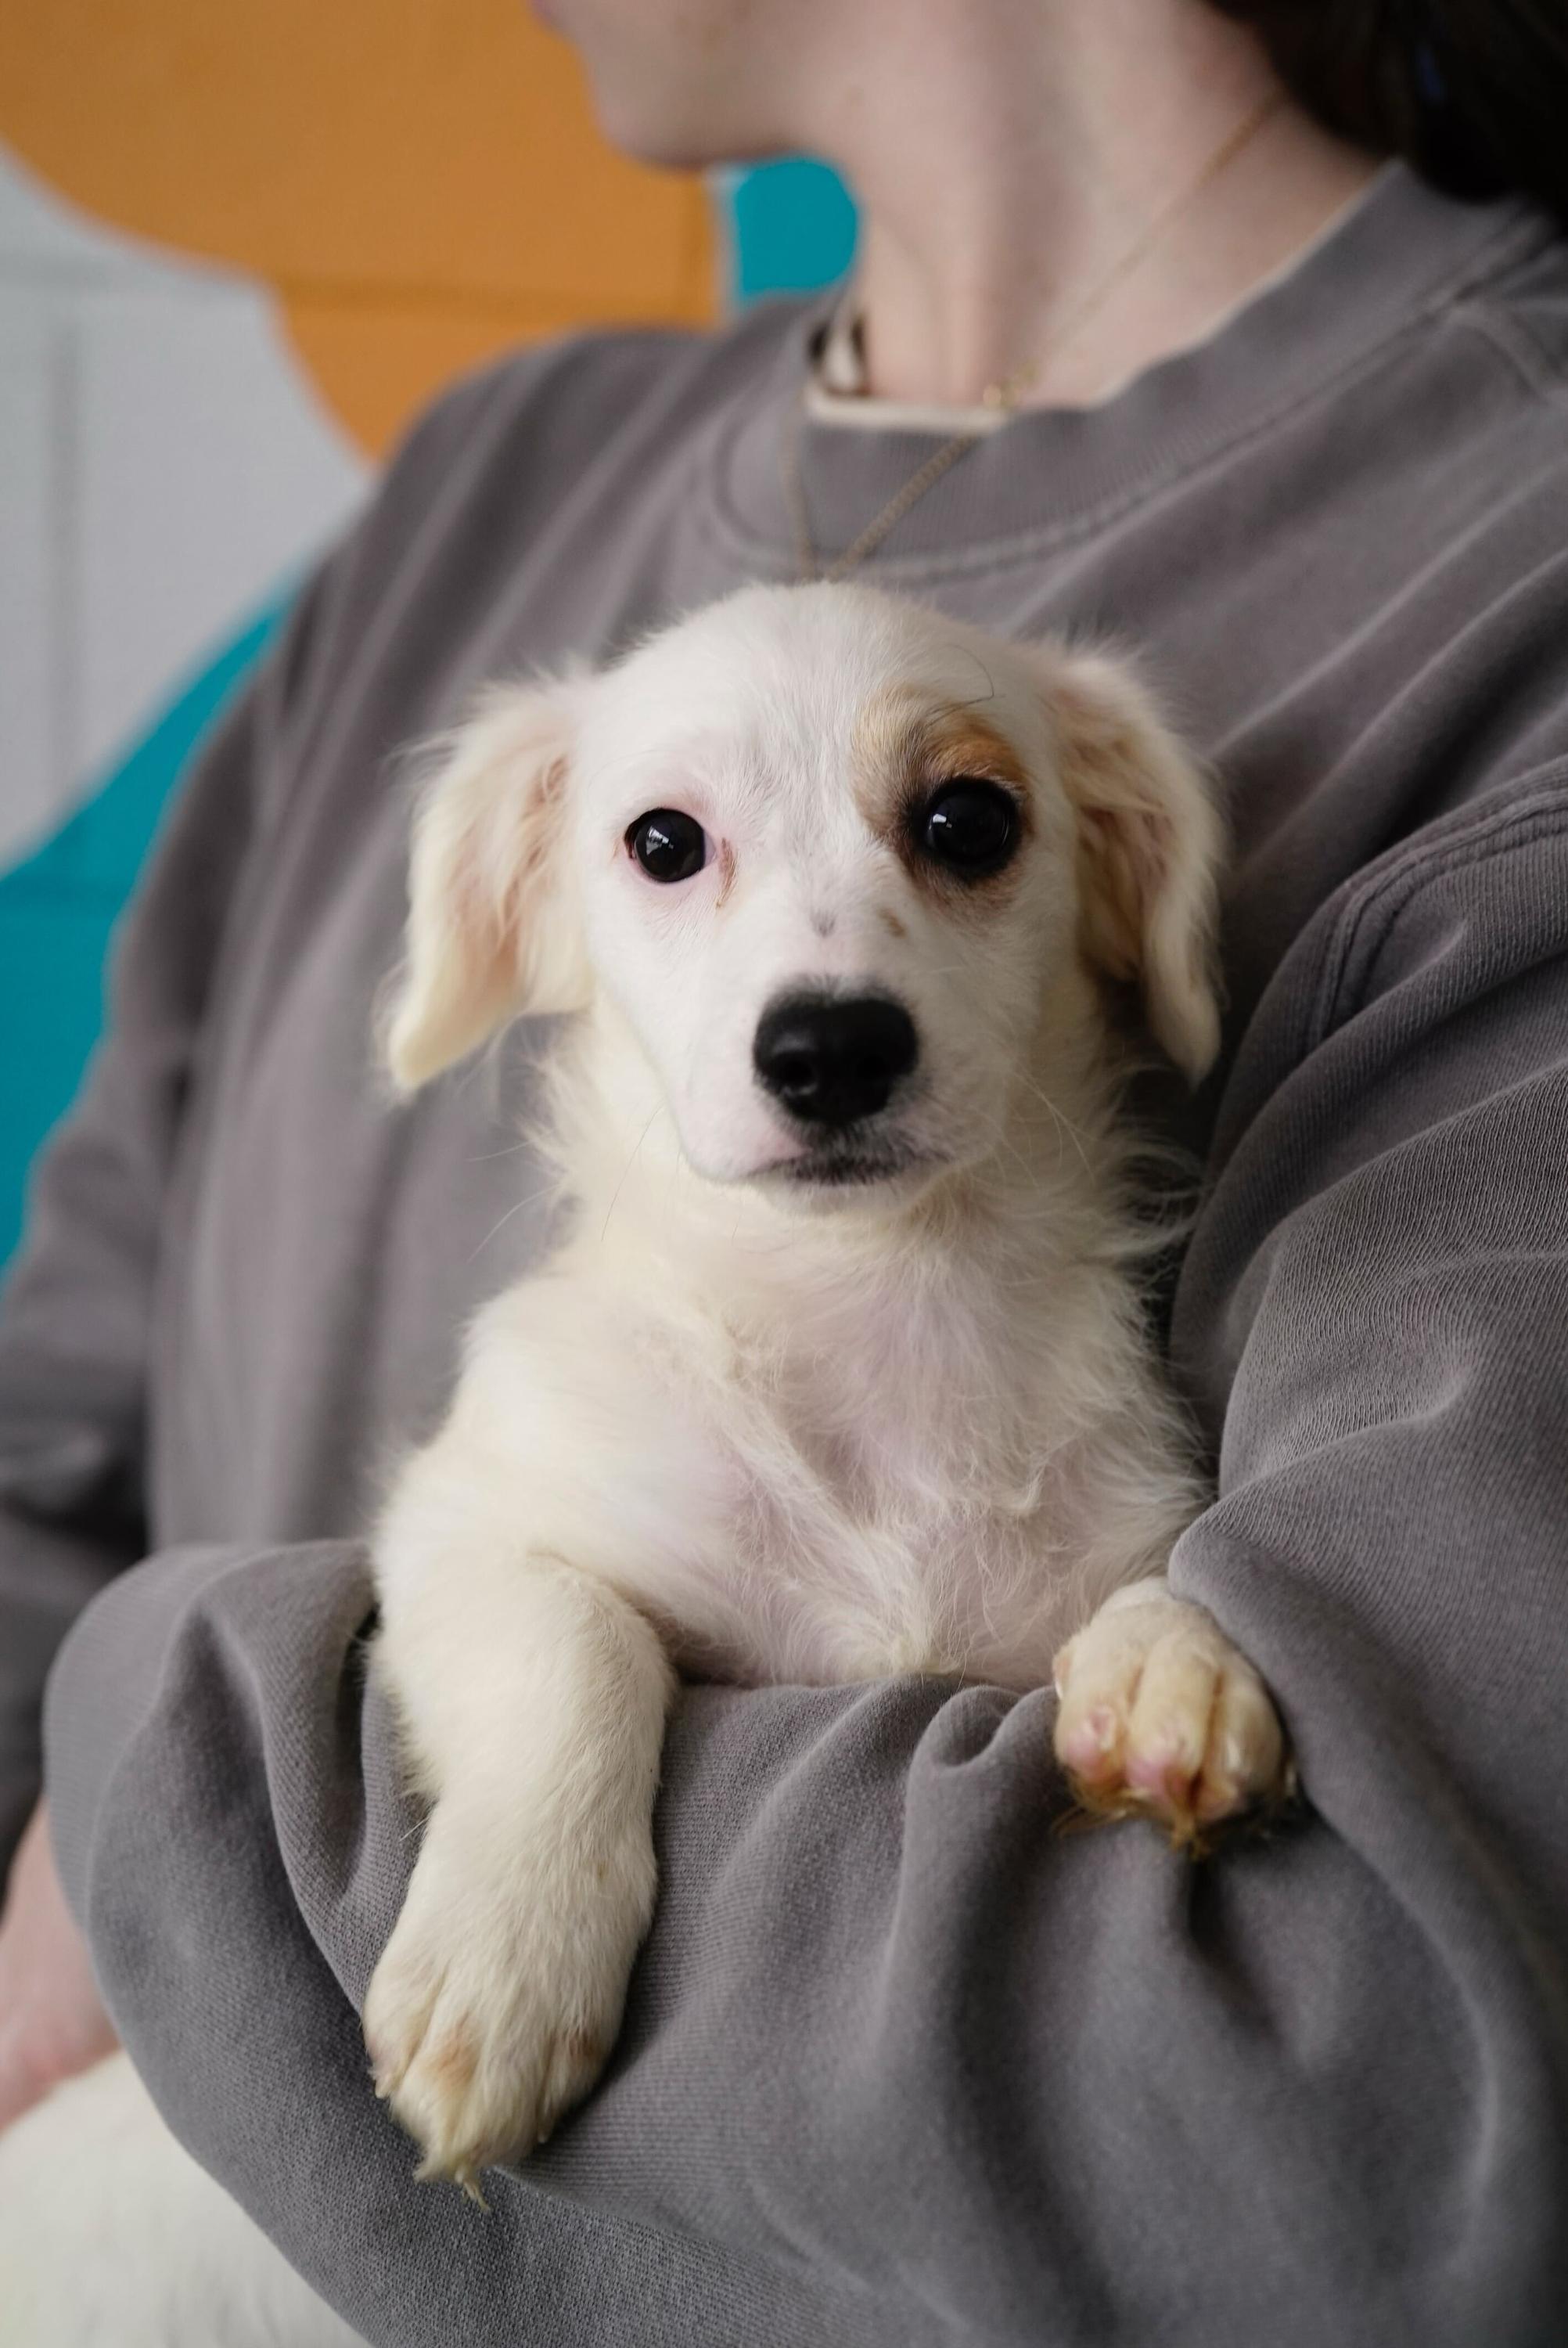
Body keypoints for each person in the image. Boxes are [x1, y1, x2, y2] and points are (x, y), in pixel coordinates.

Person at [2, 0, 1567, 2336]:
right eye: (670, 855)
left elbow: (1357, 2096)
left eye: (954, 833)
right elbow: (54, 1437)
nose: (817, 974)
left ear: (1108, 869)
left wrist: (166, 1769)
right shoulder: (487, 483)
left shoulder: (1505, 558)